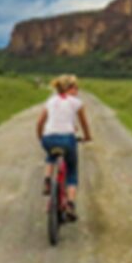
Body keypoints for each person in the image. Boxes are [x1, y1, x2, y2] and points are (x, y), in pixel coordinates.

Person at [36, 74, 92, 221]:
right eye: (75, 87)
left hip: (48, 138)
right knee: (72, 171)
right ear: (69, 88)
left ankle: (47, 180)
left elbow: (40, 122)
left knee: (51, 155)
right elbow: (84, 123)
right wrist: (87, 137)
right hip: (68, 139)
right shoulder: (76, 102)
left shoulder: (50, 101)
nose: (77, 90)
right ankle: (70, 205)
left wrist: (41, 137)